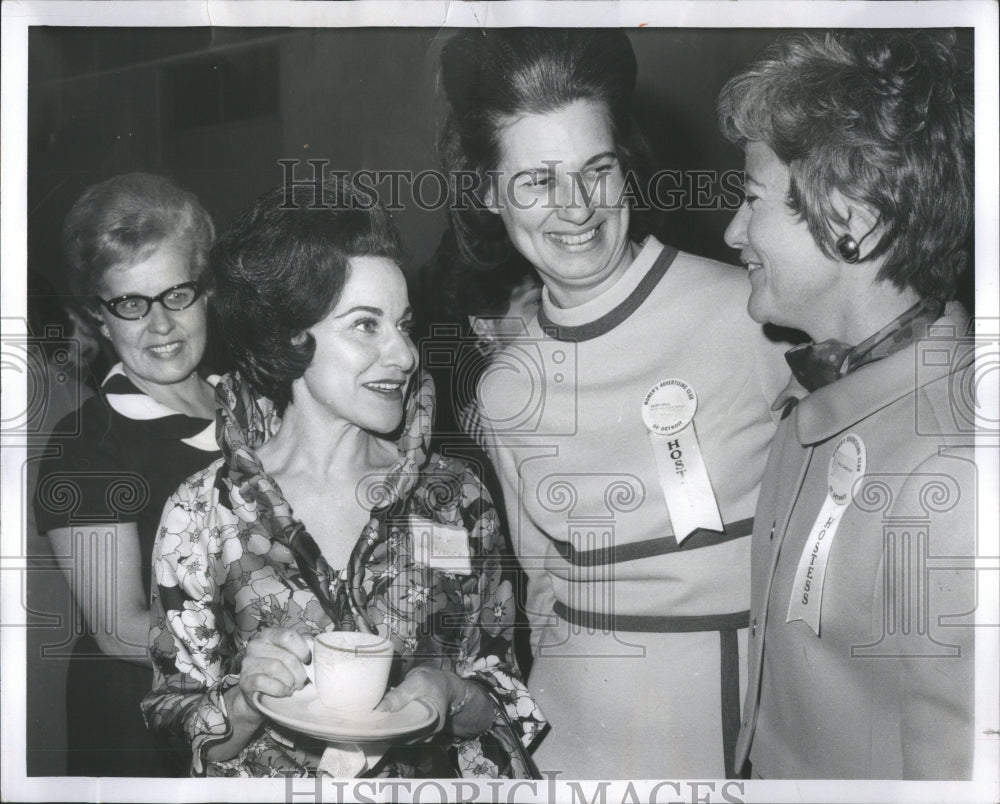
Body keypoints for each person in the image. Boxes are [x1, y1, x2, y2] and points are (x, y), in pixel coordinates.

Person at [438, 28, 790, 778]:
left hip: (734, 733)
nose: (576, 209)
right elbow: (539, 596)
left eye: (596, 170)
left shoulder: (752, 317)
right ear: (489, 191)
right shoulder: (504, 388)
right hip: (574, 742)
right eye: (536, 182)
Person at [141, 178, 545, 778]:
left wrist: (452, 695)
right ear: (287, 337)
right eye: (365, 325)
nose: (405, 354)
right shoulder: (202, 514)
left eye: (404, 324)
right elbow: (177, 721)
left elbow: (503, 692)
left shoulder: (456, 498)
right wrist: (245, 703)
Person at [718, 29, 975, 779]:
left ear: (850, 224)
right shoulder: (820, 401)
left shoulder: (958, 479)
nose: (734, 230)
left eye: (751, 198)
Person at [33, 172, 219, 776]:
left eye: (176, 295)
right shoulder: (86, 445)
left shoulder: (258, 409)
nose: (160, 325)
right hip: (140, 739)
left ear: (205, 289)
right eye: (131, 305)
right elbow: (117, 628)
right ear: (98, 317)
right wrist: (261, 653)